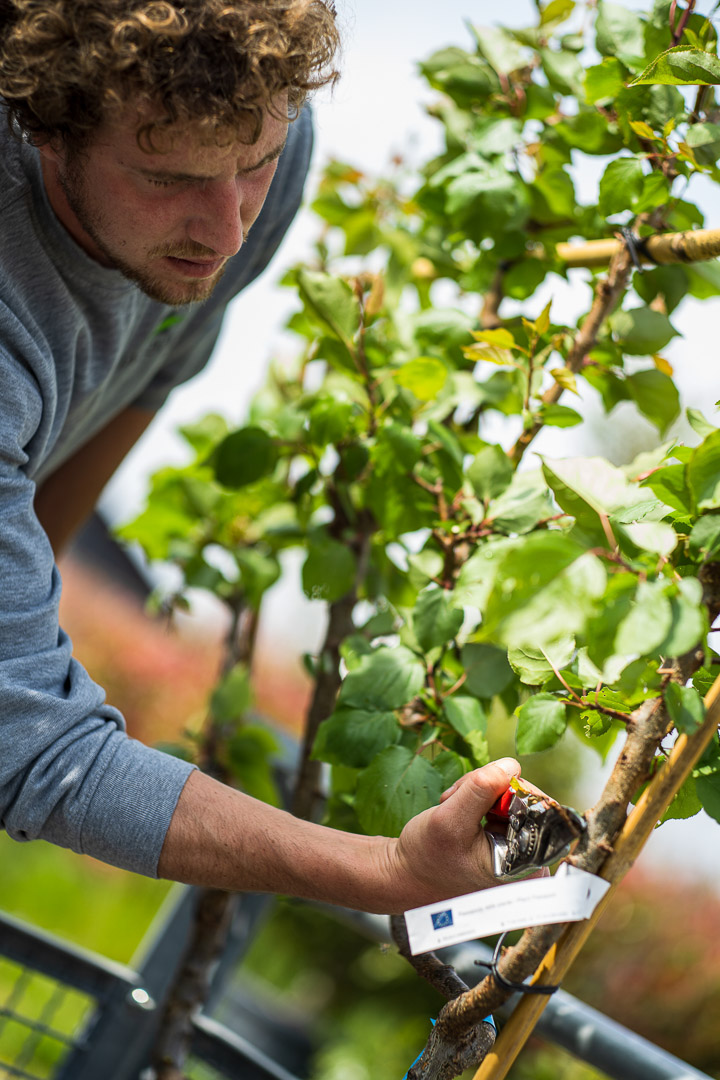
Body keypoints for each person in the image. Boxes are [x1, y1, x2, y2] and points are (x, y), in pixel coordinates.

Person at [0, 0, 524, 916]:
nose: (229, 231)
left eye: (255, 164)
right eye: (168, 178)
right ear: (45, 123)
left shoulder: (253, 171)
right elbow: (35, 749)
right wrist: (388, 875)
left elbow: (146, 378)